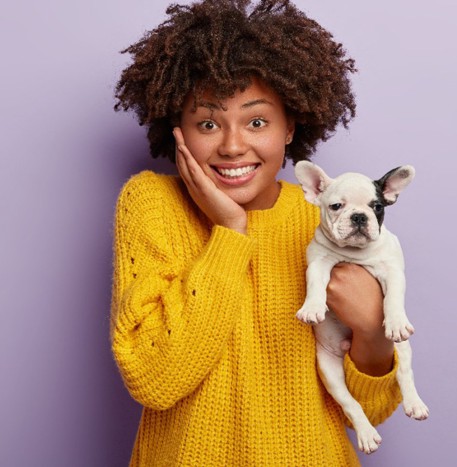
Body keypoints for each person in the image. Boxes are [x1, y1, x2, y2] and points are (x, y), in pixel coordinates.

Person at [110, 0, 401, 465]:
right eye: (207, 123)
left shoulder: (331, 219)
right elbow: (154, 377)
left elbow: (373, 412)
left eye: (257, 121)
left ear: (290, 126)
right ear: (178, 130)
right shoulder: (152, 205)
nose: (231, 145)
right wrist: (230, 231)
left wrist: (372, 330)